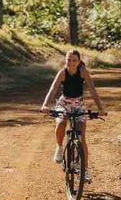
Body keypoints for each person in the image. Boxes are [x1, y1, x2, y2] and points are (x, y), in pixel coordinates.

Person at [39, 49, 105, 182]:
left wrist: (100, 108)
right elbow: (53, 89)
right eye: (69, 60)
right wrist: (45, 105)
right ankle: (59, 147)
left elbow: (92, 90)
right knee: (61, 123)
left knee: (81, 137)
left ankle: (85, 170)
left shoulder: (83, 72)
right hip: (64, 103)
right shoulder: (62, 73)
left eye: (74, 60)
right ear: (66, 61)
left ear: (79, 62)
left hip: (79, 104)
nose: (71, 62)